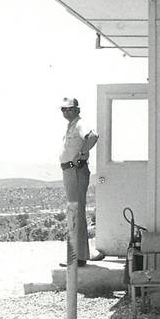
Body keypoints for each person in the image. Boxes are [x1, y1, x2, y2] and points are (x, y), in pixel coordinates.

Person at [59, 97, 98, 267]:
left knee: (75, 212)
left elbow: (93, 136)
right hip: (70, 171)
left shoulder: (80, 124)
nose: (66, 112)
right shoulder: (72, 125)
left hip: (76, 171)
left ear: (77, 110)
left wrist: (81, 154)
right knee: (75, 211)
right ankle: (79, 256)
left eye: (70, 109)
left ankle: (77, 257)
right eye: (63, 109)